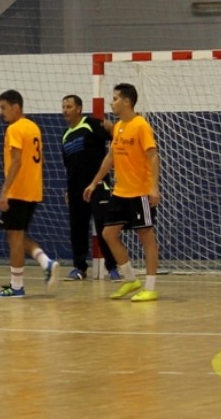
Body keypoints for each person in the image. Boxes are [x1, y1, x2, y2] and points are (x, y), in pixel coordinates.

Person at [83, 83, 161, 302]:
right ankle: (130, 280)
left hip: (139, 193)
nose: (112, 102)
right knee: (108, 234)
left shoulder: (140, 125)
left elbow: (153, 156)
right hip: (120, 192)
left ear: (127, 102)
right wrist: (93, 183)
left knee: (147, 238)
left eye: (115, 98)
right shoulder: (118, 127)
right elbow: (111, 158)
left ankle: (151, 287)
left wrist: (154, 187)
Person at [0, 89, 61, 298]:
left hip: (18, 190)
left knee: (14, 238)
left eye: (4, 108)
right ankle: (44, 262)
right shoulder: (33, 127)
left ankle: (18, 286)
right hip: (33, 189)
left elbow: (16, 161)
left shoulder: (15, 129)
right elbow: (40, 159)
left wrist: (4, 191)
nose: (1, 113)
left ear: (16, 107)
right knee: (16, 236)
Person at [60, 95, 120, 281]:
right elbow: (69, 167)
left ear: (78, 108)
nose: (65, 110)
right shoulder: (66, 136)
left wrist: (113, 127)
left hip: (97, 186)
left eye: (69, 106)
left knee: (104, 227)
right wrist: (69, 190)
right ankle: (79, 268)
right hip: (76, 191)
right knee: (77, 229)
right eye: (63, 107)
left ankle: (112, 267)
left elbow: (115, 136)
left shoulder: (91, 124)